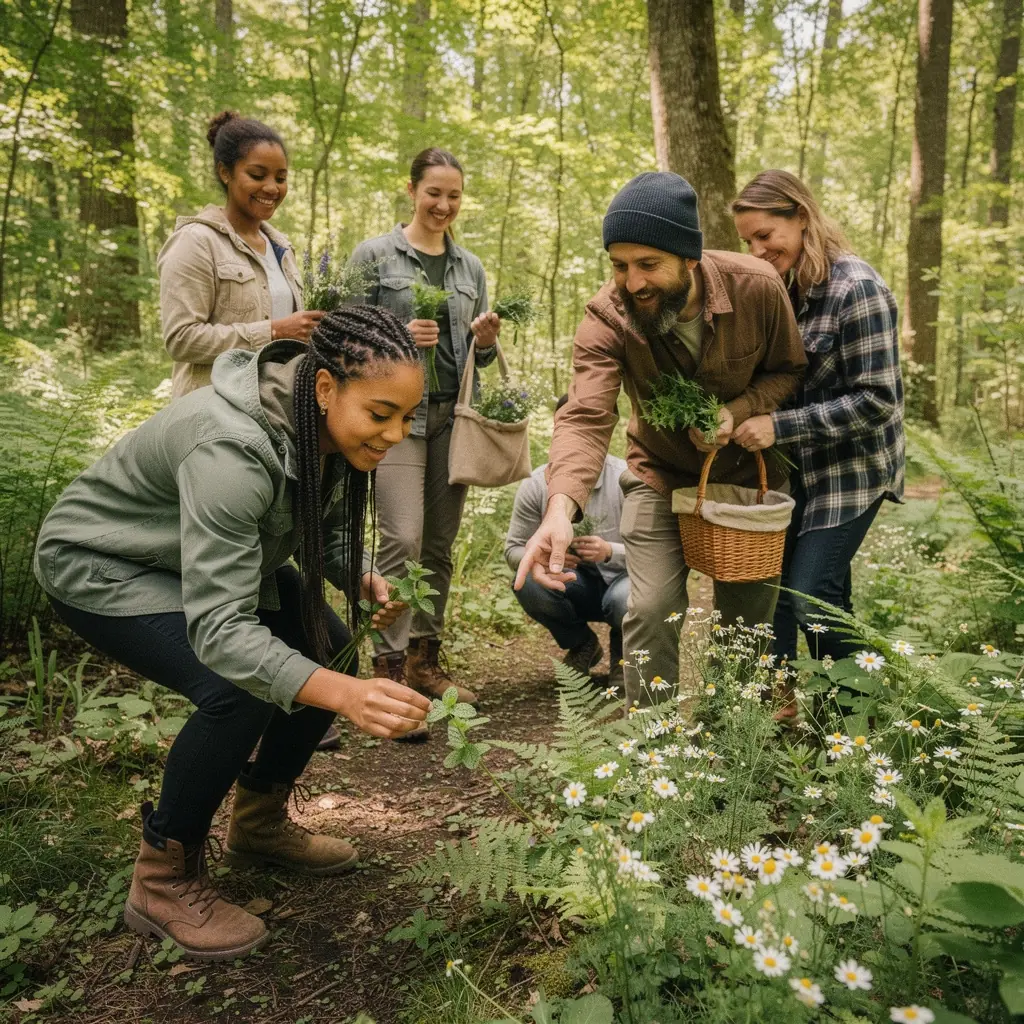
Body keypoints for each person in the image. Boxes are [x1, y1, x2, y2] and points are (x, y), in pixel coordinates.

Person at [33, 307, 432, 961]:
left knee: (325, 646)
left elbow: (321, 520)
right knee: (237, 685)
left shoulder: (320, 423)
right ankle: (161, 879)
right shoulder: (231, 448)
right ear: (327, 387)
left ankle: (258, 824)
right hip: (102, 562)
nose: (395, 433)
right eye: (382, 413)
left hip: (187, 560)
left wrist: (357, 574)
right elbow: (221, 632)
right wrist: (348, 697)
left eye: (407, 417)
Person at [514, 172, 807, 708]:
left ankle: (727, 746)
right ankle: (654, 752)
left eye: (648, 264)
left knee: (743, 626)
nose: (632, 282)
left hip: (746, 482)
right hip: (658, 475)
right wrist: (560, 509)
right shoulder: (607, 315)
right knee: (649, 610)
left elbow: (788, 372)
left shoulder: (758, 287)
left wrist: (738, 410)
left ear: (689, 258)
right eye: (619, 265)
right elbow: (583, 416)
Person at [348, 148, 501, 712]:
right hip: (395, 420)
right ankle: (387, 666)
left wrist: (484, 343)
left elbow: (478, 363)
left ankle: (423, 657)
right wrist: (394, 337)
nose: (444, 204)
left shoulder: (471, 268)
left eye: (454, 195)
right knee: (403, 538)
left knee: (438, 544)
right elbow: (341, 338)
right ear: (411, 190)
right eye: (434, 192)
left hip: (452, 421)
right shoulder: (372, 255)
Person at [731, 170, 904, 668]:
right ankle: (790, 712)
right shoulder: (782, 291)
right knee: (780, 593)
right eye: (748, 241)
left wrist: (779, 427)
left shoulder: (859, 289)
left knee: (812, 598)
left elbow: (877, 401)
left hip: (854, 470)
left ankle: (860, 716)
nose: (758, 250)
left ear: (802, 217)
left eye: (766, 235)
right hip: (800, 468)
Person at [158, 111, 326, 397]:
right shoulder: (196, 241)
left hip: (275, 409)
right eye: (257, 175)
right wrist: (272, 332)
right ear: (226, 173)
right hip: (213, 412)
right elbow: (181, 339)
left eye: (281, 177)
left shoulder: (281, 248)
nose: (272, 188)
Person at [506, 396, 630, 687]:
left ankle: (624, 659)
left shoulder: (627, 480)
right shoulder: (536, 484)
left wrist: (609, 551)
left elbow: (656, 555)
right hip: (572, 583)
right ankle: (582, 644)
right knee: (527, 582)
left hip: (625, 581)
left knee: (628, 599)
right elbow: (513, 549)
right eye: (570, 425)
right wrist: (542, 557)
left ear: (608, 430)